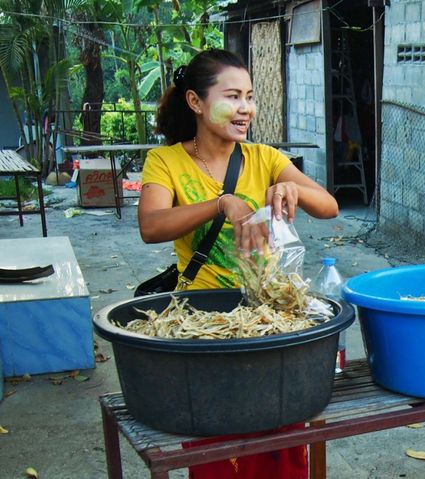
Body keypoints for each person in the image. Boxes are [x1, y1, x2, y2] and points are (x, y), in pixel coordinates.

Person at [138, 48, 338, 478]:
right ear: (196, 102)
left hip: (267, 320)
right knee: (219, 441)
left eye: (250, 96)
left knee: (280, 435)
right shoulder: (166, 161)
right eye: (234, 96)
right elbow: (151, 226)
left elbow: (330, 207)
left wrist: (295, 191)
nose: (246, 108)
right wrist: (220, 204)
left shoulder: (264, 158)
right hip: (205, 325)